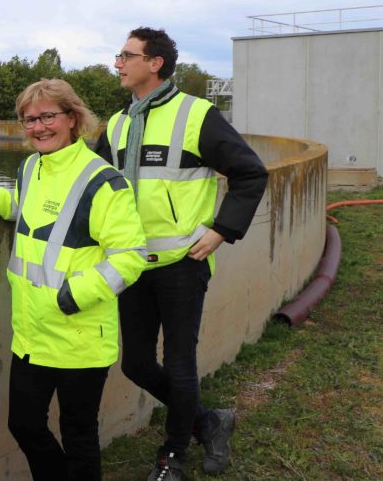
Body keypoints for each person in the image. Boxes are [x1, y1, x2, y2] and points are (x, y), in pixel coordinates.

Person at [95, 27, 268, 481]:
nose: (117, 63)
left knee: (179, 363)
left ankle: (173, 458)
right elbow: (87, 185)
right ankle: (208, 420)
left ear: (154, 63)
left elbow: (250, 173)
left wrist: (221, 231)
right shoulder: (117, 124)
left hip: (182, 266)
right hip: (131, 265)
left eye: (126, 55)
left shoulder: (197, 115)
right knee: (135, 364)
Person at [0, 79, 147, 481]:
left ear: (73, 119)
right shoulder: (30, 168)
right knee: (24, 425)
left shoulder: (103, 180)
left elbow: (131, 256)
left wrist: (73, 295)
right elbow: (27, 210)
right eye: (30, 120)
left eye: (48, 116)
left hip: (79, 336)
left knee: (79, 435)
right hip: (31, 333)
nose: (39, 127)